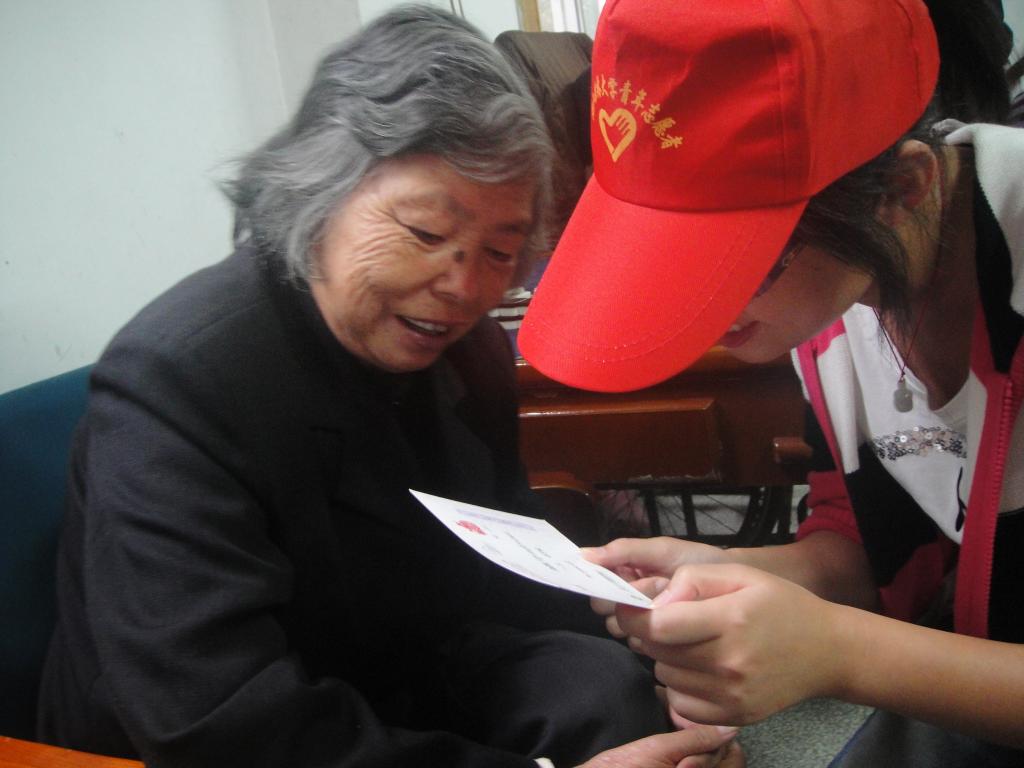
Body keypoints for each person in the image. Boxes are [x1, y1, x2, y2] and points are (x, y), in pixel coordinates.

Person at [34, 6, 746, 768]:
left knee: (607, 697)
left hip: (389, 661)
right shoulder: (178, 383)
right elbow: (217, 722)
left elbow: (504, 556)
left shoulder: (468, 352)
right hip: (203, 733)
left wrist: (645, 643)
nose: (463, 287)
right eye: (426, 234)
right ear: (319, 195)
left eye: (500, 251)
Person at [517, 0, 1024, 764]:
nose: (702, 311)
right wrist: (730, 573)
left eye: (744, 261)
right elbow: (862, 541)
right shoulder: (840, 289)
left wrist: (841, 653)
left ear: (903, 189)